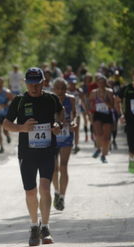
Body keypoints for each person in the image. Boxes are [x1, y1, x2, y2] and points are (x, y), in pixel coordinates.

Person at [3, 67, 64, 246]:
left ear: (43, 83)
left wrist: (58, 124)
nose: (34, 88)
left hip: (47, 150)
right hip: (27, 153)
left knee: (45, 188)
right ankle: (33, 226)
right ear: (26, 83)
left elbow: (60, 112)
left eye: (37, 84)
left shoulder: (51, 99)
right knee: (31, 191)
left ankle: (45, 226)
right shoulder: (20, 101)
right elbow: (6, 124)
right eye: (30, 84)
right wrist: (21, 128)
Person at [51, 78, 77, 211]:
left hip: (66, 135)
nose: (60, 91)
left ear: (66, 89)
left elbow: (74, 116)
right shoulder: (49, 99)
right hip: (52, 136)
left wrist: (73, 123)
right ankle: (56, 190)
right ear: (53, 89)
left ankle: (62, 196)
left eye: (63, 88)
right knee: (54, 168)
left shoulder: (71, 99)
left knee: (63, 166)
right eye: (58, 88)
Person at [89, 74, 115, 163]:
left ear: (106, 83)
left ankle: (103, 156)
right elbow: (90, 104)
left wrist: (105, 101)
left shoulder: (110, 92)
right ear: (97, 83)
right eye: (100, 83)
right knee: (98, 134)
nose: (101, 84)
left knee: (107, 138)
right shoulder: (93, 92)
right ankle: (98, 148)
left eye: (103, 83)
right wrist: (91, 112)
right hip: (98, 114)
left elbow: (112, 106)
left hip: (107, 114)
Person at [0, 77, 14, 153]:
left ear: (3, 83)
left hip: (5, 114)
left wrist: (5, 104)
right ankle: (1, 147)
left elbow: (13, 100)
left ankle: (7, 135)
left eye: (1, 82)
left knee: (5, 130)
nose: (0, 84)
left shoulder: (7, 92)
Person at [67, 74, 88, 153]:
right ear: (69, 83)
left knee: (76, 130)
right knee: (69, 130)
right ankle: (69, 144)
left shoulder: (79, 91)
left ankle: (76, 145)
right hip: (68, 114)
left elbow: (83, 102)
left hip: (77, 113)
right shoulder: (66, 91)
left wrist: (86, 111)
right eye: (71, 83)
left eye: (74, 83)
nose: (73, 85)